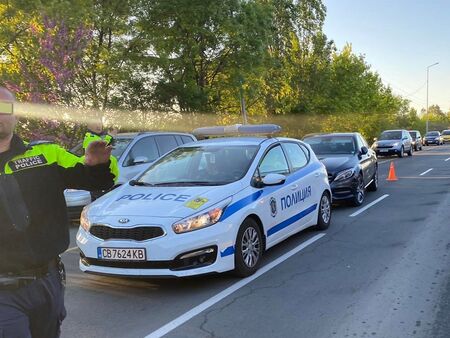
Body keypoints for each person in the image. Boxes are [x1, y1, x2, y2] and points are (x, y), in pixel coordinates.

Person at [0, 87, 118, 337]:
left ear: (16, 116)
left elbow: (99, 180)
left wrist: (99, 163)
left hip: (47, 282)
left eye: (4, 108)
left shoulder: (45, 155)